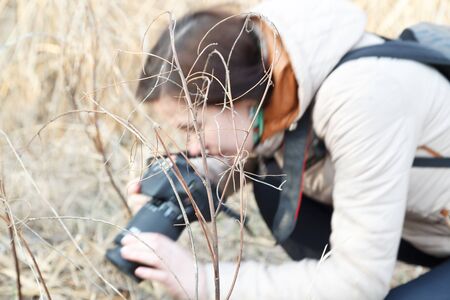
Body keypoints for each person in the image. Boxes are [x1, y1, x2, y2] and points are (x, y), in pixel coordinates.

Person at [119, 0, 450, 299]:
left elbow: (359, 283)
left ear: (238, 96)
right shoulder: (271, 69)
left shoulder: (362, 99)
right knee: (275, 187)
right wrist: (189, 188)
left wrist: (203, 281)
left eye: (195, 127)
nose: (193, 145)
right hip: (431, 226)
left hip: (434, 229)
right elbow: (272, 142)